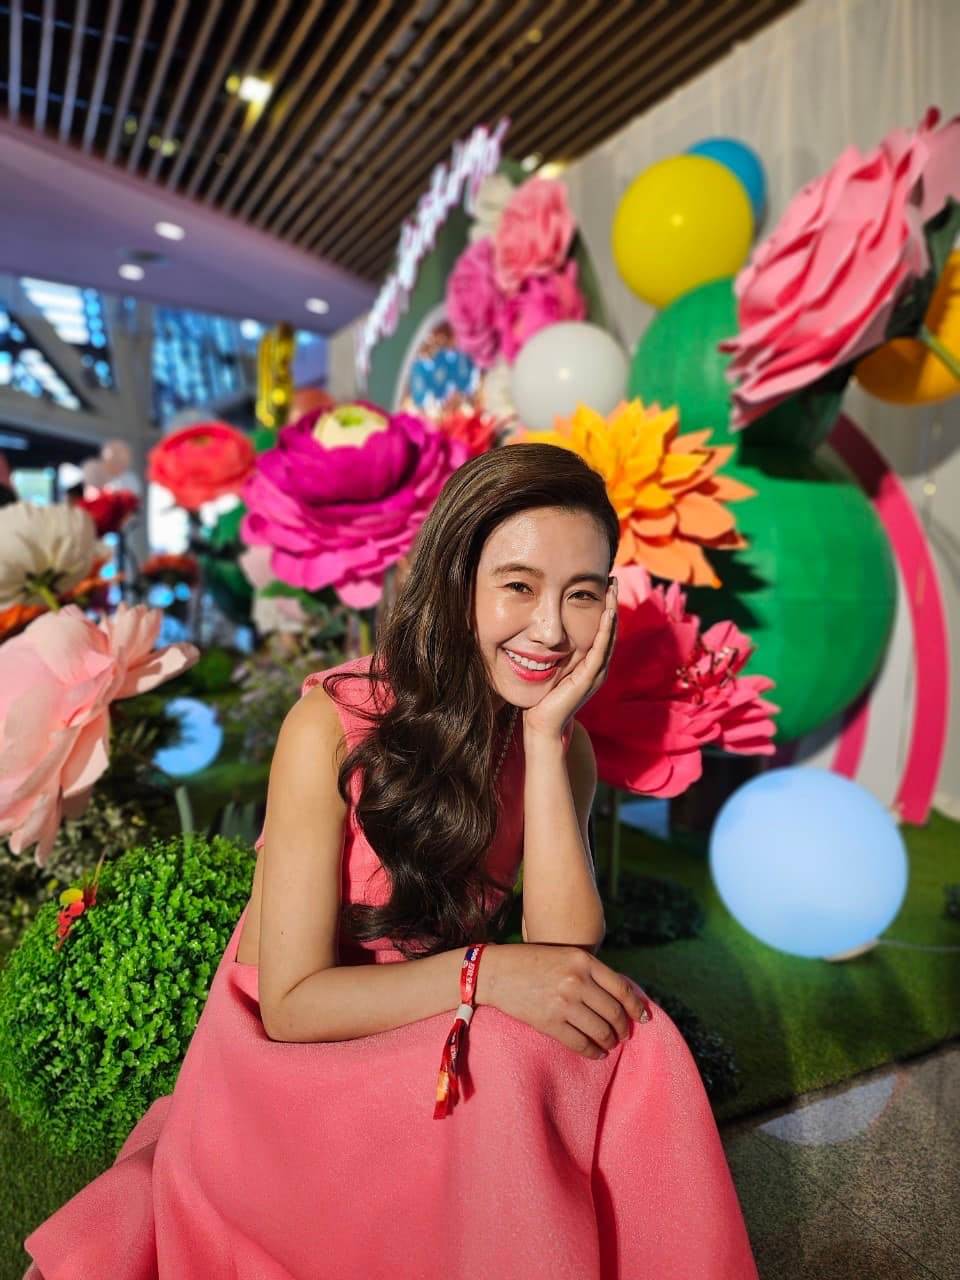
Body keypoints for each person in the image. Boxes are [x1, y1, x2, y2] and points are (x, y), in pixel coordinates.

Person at [22, 443, 759, 1279]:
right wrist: (484, 973)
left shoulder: (560, 742)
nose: (552, 629)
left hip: (428, 1017)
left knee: (633, 1032)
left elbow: (562, 956)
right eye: (519, 586)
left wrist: (547, 737)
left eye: (582, 594)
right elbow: (289, 1006)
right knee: (511, 1057)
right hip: (289, 1066)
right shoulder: (333, 725)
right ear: (455, 583)